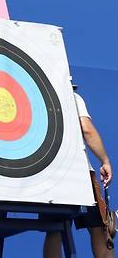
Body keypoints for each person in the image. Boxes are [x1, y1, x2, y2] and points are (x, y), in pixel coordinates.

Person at [43, 87, 114, 258]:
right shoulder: (71, 96)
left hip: (48, 174)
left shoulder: (37, 96)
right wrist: (105, 160)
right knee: (100, 227)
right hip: (78, 174)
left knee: (55, 230)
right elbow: (87, 129)